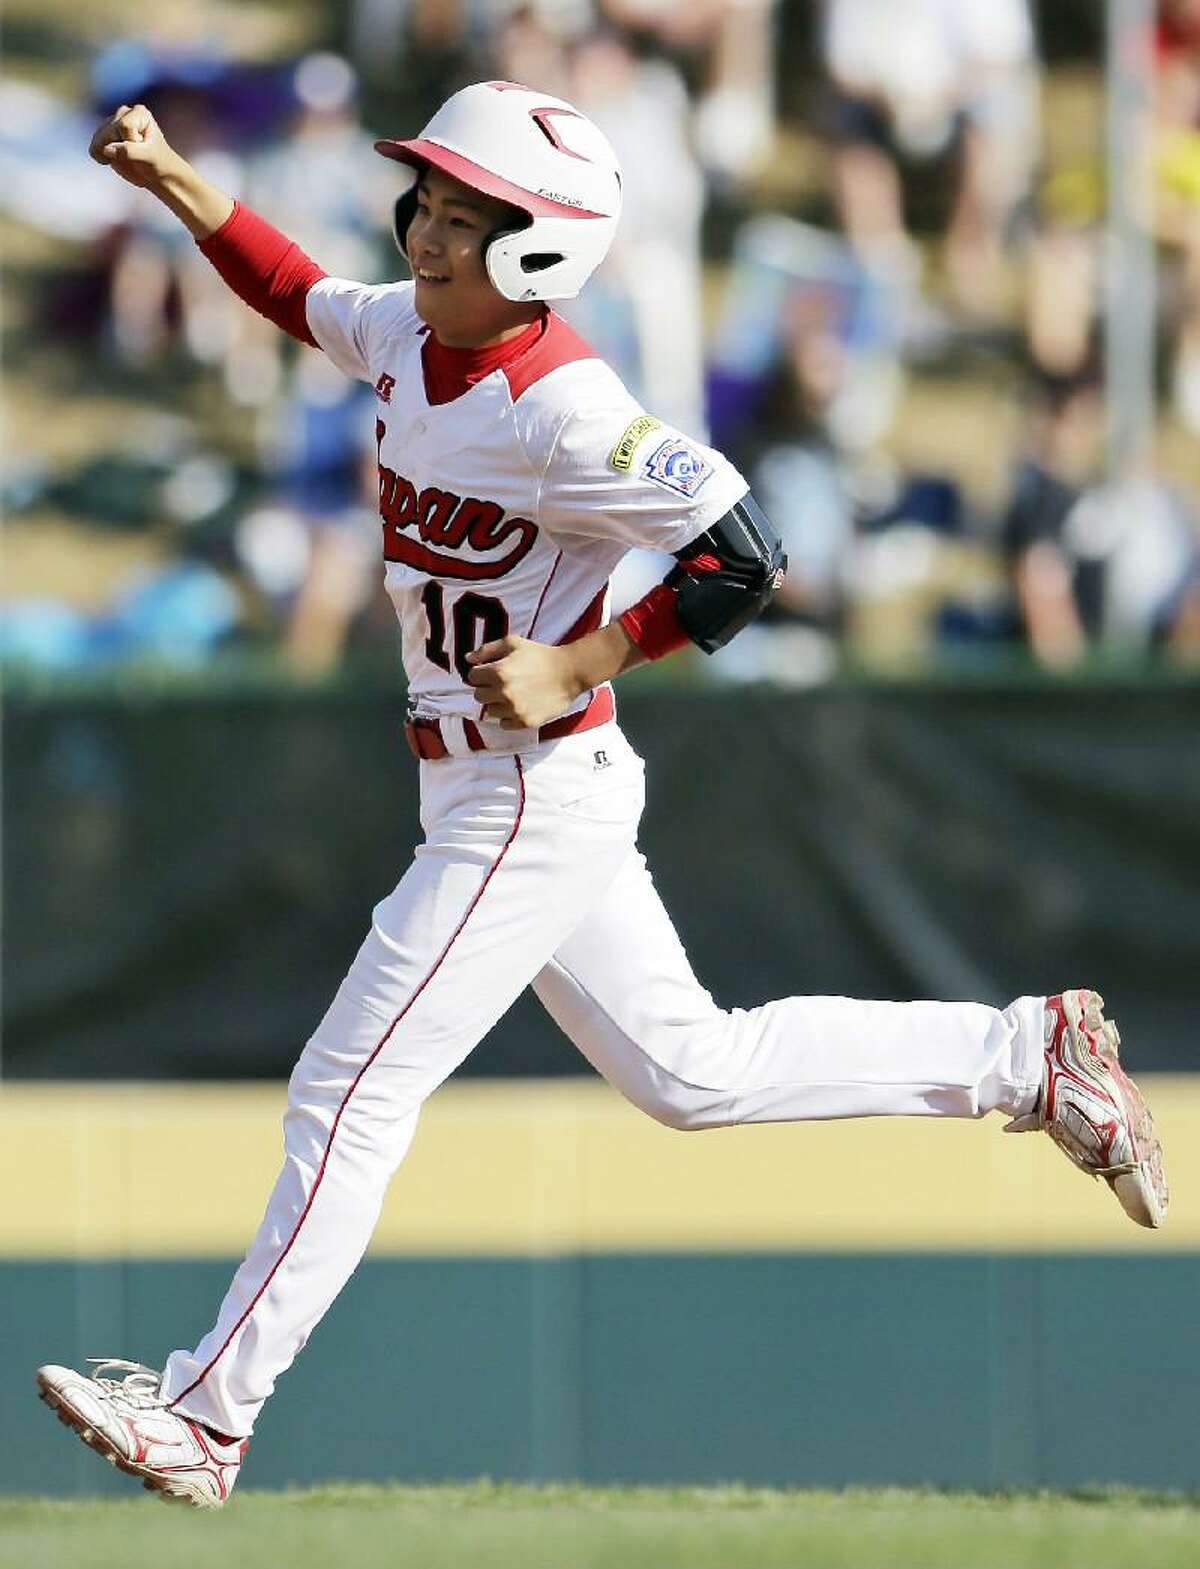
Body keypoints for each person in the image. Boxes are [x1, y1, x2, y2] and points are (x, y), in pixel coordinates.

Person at [37, 83, 1168, 1511]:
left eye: (466, 217)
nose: (431, 234)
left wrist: (582, 650)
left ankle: (209, 1409)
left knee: (348, 1084)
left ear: (538, 252)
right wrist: (174, 180)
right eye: (430, 206)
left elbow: (741, 554)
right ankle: (1030, 1052)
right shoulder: (408, 329)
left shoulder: (567, 404)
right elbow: (301, 291)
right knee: (695, 1071)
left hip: (528, 791)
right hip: (491, 790)